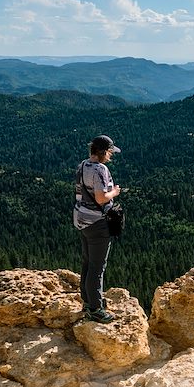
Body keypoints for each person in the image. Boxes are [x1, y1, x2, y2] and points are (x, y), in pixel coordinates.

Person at [74, 134, 122, 323]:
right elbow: (102, 198)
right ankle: (95, 309)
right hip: (97, 222)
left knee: (88, 262)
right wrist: (114, 192)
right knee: (97, 267)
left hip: (82, 218)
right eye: (110, 152)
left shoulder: (83, 165)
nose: (111, 155)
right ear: (104, 152)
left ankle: (88, 301)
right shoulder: (100, 169)